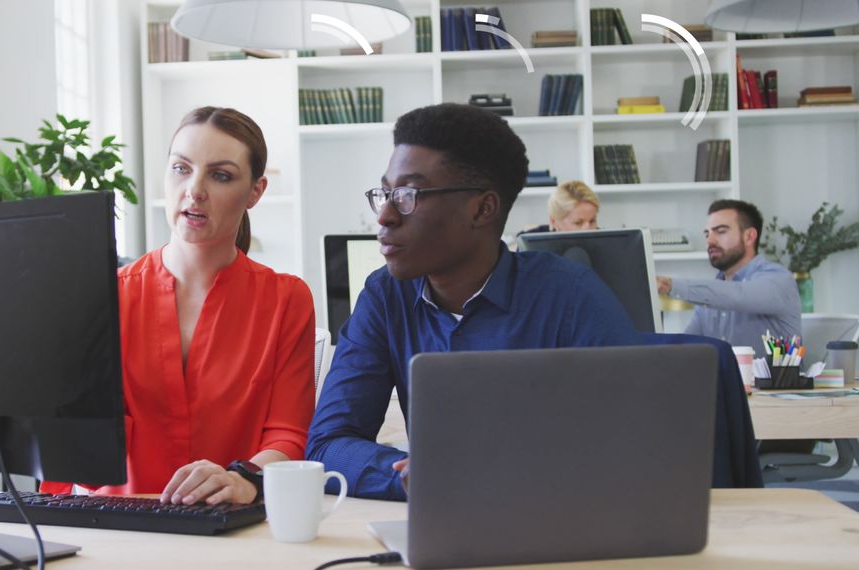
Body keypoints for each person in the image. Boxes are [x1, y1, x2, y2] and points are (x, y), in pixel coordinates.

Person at [305, 103, 643, 501]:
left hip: (555, 524)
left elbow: (633, 444)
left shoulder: (572, 296)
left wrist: (500, 473)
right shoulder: (384, 297)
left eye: (408, 195)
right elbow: (328, 445)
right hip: (441, 529)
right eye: (386, 193)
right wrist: (413, 476)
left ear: (482, 208)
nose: (385, 216)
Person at [44, 107, 316, 504]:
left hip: (230, 525)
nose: (195, 190)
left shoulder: (286, 299)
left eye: (220, 175)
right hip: (117, 526)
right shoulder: (103, 296)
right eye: (181, 168)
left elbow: (288, 434)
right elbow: (64, 446)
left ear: (255, 192)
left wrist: (245, 479)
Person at [657, 199, 800, 358]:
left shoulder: (779, 280)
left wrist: (669, 285)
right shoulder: (710, 296)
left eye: (721, 231)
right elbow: (685, 350)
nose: (710, 241)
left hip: (776, 383)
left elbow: (739, 296)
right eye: (707, 234)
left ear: (749, 237)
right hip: (725, 383)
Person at [518, 180, 600, 235]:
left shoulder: (609, 241)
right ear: (554, 222)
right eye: (578, 223)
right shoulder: (529, 245)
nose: (589, 230)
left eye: (592, 221)